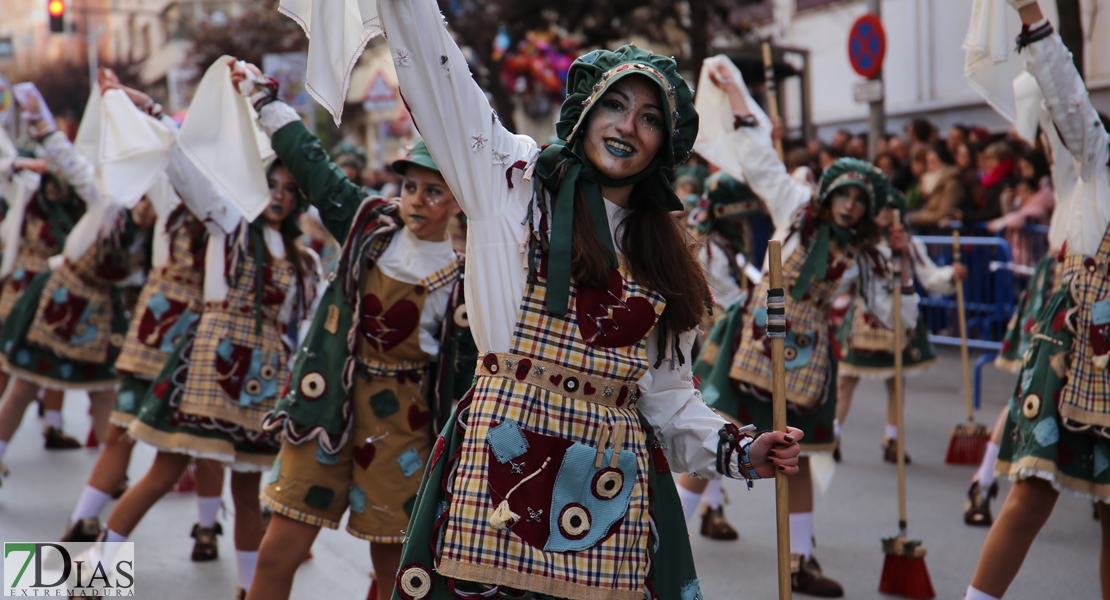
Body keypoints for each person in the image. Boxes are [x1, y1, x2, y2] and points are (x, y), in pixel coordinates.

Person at [372, 0, 804, 597]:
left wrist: (740, 449)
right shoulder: (509, 179)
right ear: (585, 111)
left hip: (610, 494)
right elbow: (433, 67)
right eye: (616, 105)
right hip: (497, 476)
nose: (629, 126)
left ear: (665, 143)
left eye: (650, 118)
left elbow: (669, 403)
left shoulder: (668, 256)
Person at [231, 63, 473, 600]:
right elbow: (312, 167)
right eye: (410, 186)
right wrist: (265, 100)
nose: (416, 200)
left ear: (458, 202)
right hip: (328, 407)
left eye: (434, 192)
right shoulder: (367, 225)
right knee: (279, 550)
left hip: (404, 427)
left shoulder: (468, 281)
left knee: (397, 571)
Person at [686, 60, 913, 597]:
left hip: (809, 353)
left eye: (860, 201)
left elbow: (888, 305)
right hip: (756, 335)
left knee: (800, 455)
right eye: (845, 195)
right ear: (831, 193)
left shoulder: (863, 252)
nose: (850, 205)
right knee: (715, 434)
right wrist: (740, 97)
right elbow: (763, 161)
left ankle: (800, 559)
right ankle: (664, 538)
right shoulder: (795, 207)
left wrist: (899, 263)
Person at [101, 58, 320, 600]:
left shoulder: (303, 258)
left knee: (249, 493)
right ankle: (89, 574)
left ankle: (248, 590)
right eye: (271, 183)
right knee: (162, 470)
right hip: (209, 368)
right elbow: (184, 164)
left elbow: (300, 325)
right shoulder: (227, 222)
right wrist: (147, 108)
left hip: (261, 379)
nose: (278, 195)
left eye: (289, 190)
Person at [964, 2, 1110, 598]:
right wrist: (1030, 13)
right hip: (1077, 343)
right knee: (1032, 492)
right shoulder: (1097, 162)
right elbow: (1070, 99)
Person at [59, 69, 227, 554]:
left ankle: (83, 526)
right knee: (202, 444)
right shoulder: (230, 203)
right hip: (196, 326)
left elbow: (166, 146)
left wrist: (139, 105)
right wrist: (140, 106)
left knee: (128, 436)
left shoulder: (181, 187)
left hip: (161, 321)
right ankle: (205, 530)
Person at [835, 194, 967, 463]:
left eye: (892, 208)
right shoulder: (861, 243)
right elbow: (842, 277)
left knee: (896, 381)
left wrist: (950, 275)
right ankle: (833, 435)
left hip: (899, 320)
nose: (886, 213)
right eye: (881, 208)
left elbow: (929, 276)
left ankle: (892, 440)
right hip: (864, 319)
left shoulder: (909, 243)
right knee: (846, 380)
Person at [906, 143, 966, 233]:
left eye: (933, 161)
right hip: (933, 231)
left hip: (947, 235)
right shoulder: (929, 183)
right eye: (928, 162)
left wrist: (914, 217)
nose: (929, 166)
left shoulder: (952, 182)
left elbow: (943, 213)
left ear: (943, 161)